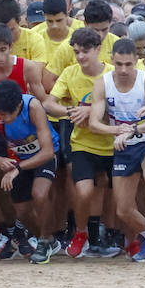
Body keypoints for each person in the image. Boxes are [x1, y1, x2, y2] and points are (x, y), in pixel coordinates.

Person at [90, 38, 145, 262]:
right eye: (119, 64)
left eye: (128, 64)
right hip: (123, 146)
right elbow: (94, 123)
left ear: (137, 61)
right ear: (111, 60)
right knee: (123, 209)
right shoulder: (103, 83)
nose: (123, 69)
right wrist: (116, 132)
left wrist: (132, 129)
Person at [44, 27, 116, 259]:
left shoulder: (113, 73)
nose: (81, 57)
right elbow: (48, 103)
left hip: (114, 143)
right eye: (76, 52)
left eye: (85, 51)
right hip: (83, 144)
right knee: (84, 192)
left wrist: (92, 113)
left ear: (98, 50)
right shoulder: (70, 73)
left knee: (115, 193)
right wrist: (71, 111)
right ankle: (81, 232)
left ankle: (115, 237)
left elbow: (125, 106)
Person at [0, 78, 59, 264]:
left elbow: (47, 151)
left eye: (10, 114)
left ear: (19, 104)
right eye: (2, 114)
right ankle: (45, 238)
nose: (5, 119)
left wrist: (17, 169)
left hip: (44, 157)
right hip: (18, 160)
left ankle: (44, 241)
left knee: (39, 194)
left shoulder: (33, 107)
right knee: (22, 212)